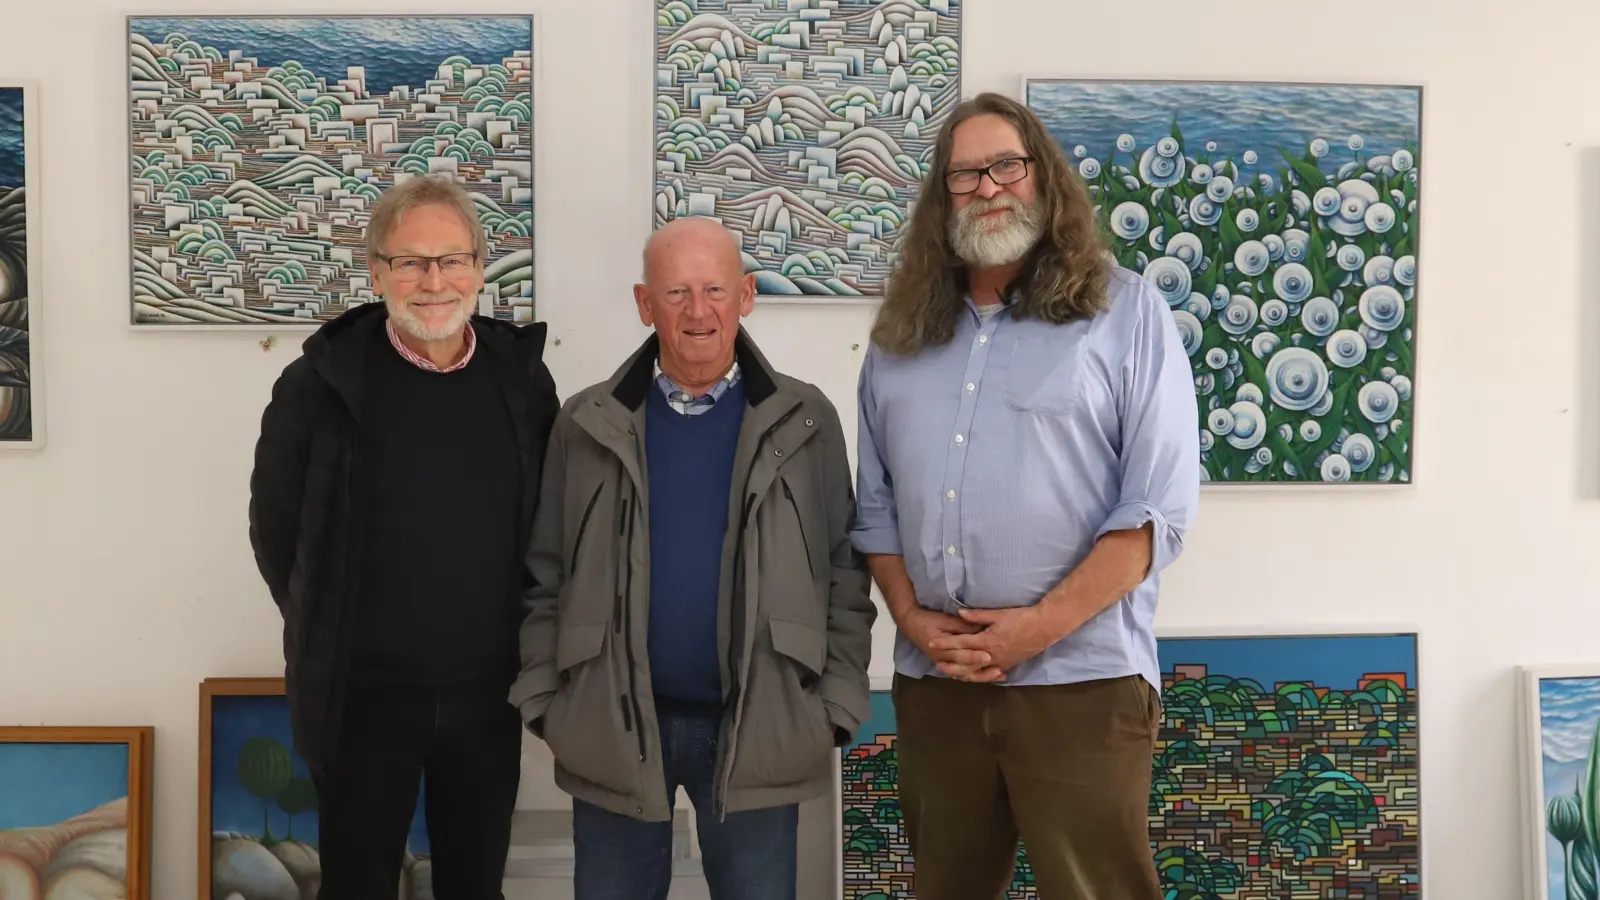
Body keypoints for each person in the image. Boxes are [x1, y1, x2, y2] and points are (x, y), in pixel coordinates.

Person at [850, 92, 1201, 899]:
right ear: (942, 197)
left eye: (1006, 165)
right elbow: (873, 509)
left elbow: (1156, 513)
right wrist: (910, 620)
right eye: (965, 174)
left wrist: (1032, 632)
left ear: (1042, 177)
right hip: (938, 690)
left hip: (1079, 686)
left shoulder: (1127, 313)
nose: (989, 187)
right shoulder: (899, 337)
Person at [510, 216, 875, 900]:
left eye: (713, 289)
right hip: (613, 724)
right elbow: (544, 575)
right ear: (645, 304)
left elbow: (843, 573)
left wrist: (834, 703)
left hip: (763, 722)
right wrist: (547, 703)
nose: (698, 311)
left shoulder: (807, 420)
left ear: (745, 296)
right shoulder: (585, 423)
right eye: (676, 293)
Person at [248, 174, 559, 899]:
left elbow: (549, 523)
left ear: (480, 268)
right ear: (377, 271)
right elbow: (277, 531)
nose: (433, 282)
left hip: (490, 695)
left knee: (475, 885)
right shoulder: (319, 384)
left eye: (451, 260)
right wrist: (326, 624)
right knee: (356, 885)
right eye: (411, 262)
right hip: (362, 697)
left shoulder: (522, 383)